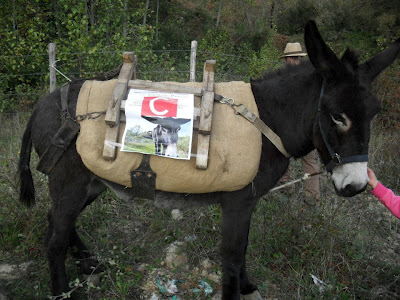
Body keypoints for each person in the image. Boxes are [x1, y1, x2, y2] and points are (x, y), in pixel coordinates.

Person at [280, 42, 321, 204]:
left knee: (310, 161)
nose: (294, 61)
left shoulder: (308, 78)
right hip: (287, 127)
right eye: (291, 58)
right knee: (283, 157)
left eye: (296, 58)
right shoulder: (282, 79)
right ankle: (286, 190)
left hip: (305, 128)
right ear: (286, 60)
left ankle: (312, 198)